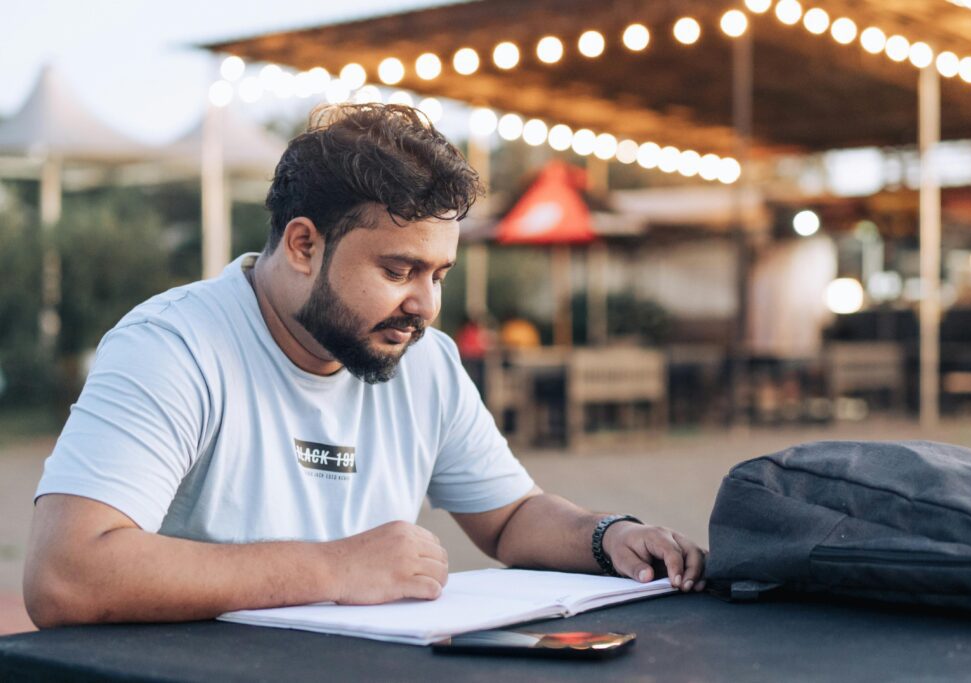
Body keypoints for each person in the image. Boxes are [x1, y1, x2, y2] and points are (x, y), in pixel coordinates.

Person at [23, 103, 704, 628]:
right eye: (398, 268)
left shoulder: (425, 361)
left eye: (438, 273)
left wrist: (609, 535)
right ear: (302, 244)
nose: (426, 306)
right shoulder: (172, 347)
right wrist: (334, 566)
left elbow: (510, 516)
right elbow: (65, 573)